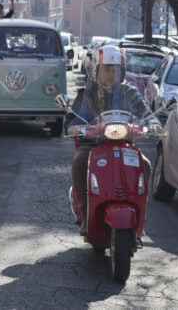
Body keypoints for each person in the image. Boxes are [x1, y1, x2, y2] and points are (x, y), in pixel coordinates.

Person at [64, 45, 162, 236]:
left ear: (122, 71)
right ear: (97, 70)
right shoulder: (88, 94)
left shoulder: (129, 92)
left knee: (146, 165)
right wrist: (76, 127)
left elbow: (146, 113)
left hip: (124, 144)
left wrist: (153, 124)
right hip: (93, 144)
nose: (110, 74)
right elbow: (73, 119)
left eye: (114, 69)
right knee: (79, 162)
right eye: (106, 69)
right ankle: (85, 215)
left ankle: (140, 216)